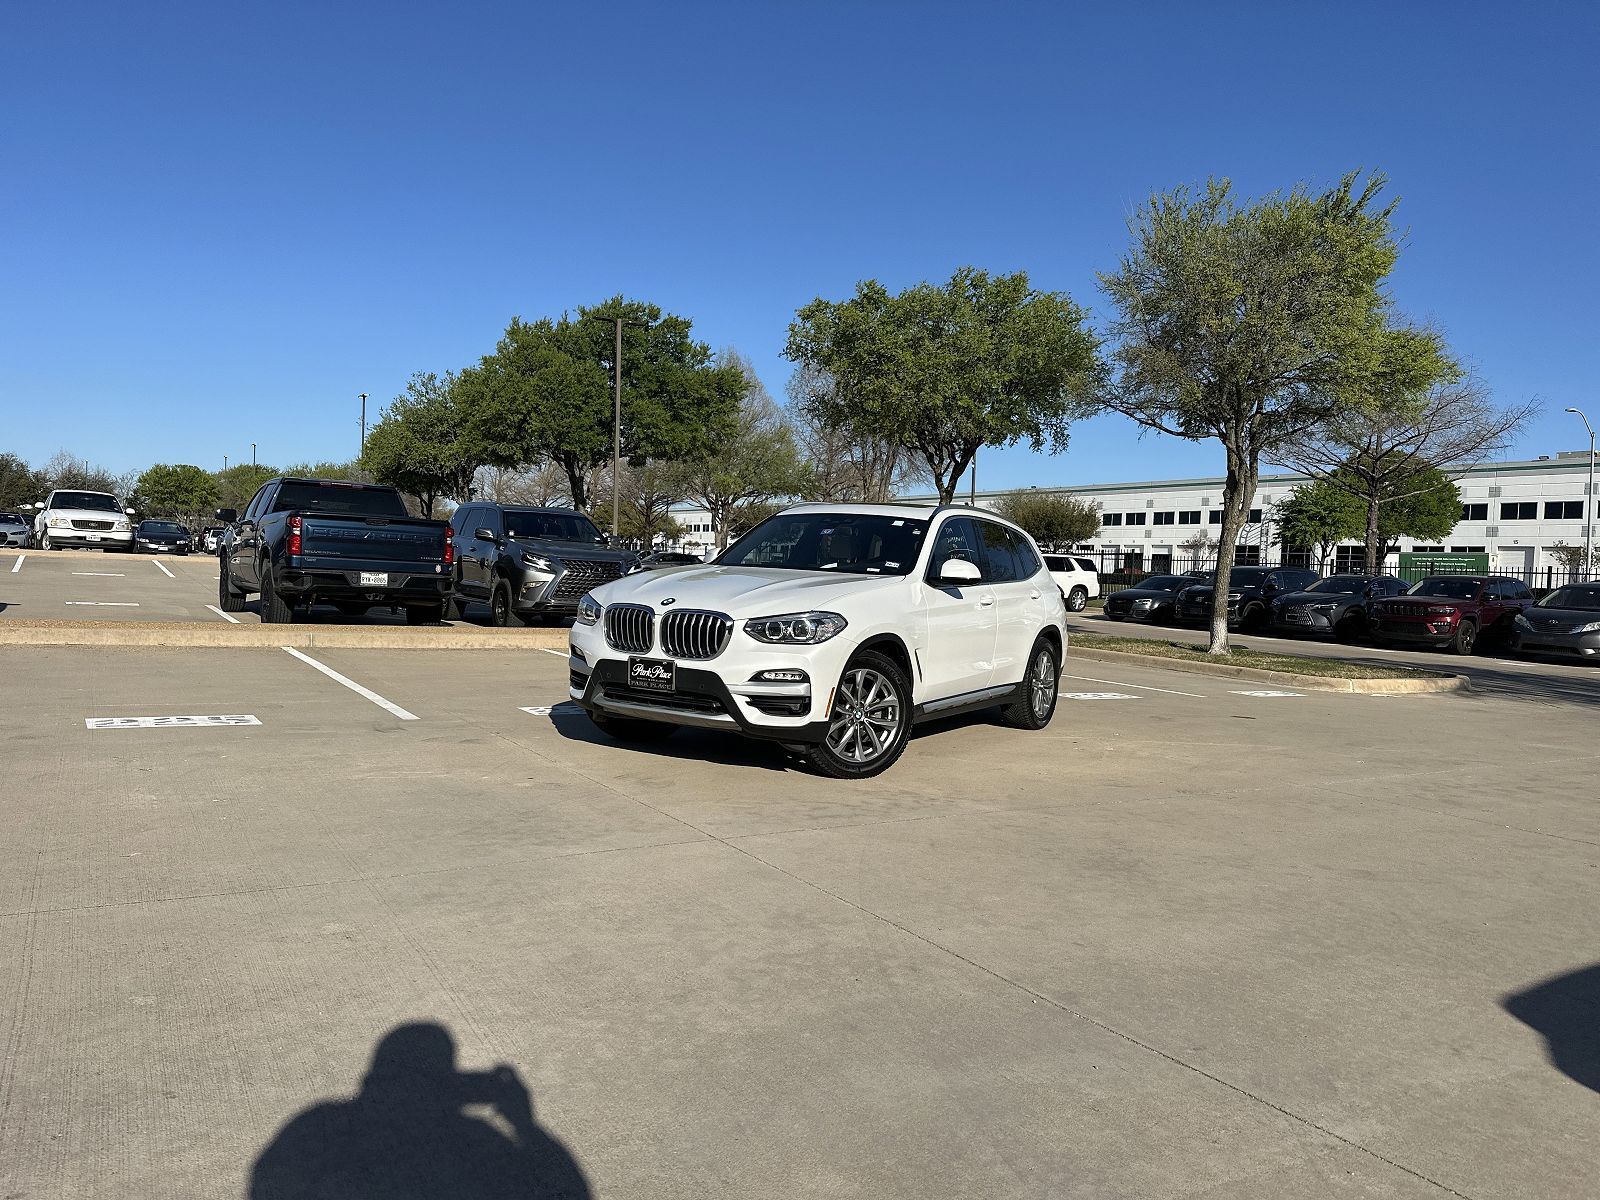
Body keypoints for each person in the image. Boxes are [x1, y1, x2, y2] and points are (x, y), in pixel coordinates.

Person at [249, 1022, 590, 1199]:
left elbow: (266, 1184)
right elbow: (567, 1193)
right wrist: (524, 1124)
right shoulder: (478, 1142)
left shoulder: (315, 1127)